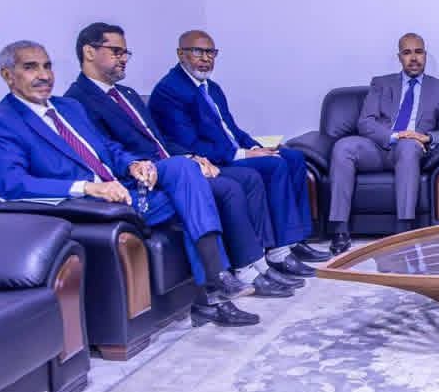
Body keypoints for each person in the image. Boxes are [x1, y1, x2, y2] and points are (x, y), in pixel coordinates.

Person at [0, 40, 259, 328]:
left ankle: (215, 280)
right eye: (30, 68)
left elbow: (108, 147)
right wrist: (86, 187)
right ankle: (214, 288)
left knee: (183, 168)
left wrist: (133, 164)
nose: (44, 75)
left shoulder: (68, 107)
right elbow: (11, 184)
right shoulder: (1, 123)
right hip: (91, 203)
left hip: (124, 185)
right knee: (194, 197)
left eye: (47, 66)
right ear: (7, 75)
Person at [64, 22, 300, 299]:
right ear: (89, 52)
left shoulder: (126, 94)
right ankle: (243, 270)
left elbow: (161, 140)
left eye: (126, 52)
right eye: (116, 51)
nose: (124, 58)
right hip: (146, 175)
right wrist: (171, 163)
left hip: (174, 163)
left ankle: (260, 261)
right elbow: (107, 151)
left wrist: (192, 157)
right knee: (228, 187)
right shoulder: (77, 101)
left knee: (249, 177)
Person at [148, 30, 329, 279]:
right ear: (181, 54)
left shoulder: (211, 88)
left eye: (211, 52)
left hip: (230, 151)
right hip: (209, 161)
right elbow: (189, 144)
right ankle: (278, 252)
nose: (206, 58)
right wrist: (243, 154)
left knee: (293, 157)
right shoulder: (170, 92)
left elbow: (232, 130)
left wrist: (254, 147)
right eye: (198, 52)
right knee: (274, 166)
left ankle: (294, 239)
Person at [327, 33, 439, 254]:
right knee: (344, 146)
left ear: (425, 55)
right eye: (407, 53)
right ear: (399, 57)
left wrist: (426, 137)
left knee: (408, 146)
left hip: (412, 150)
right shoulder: (380, 84)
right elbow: (366, 121)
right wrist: (394, 136)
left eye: (418, 52)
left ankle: (403, 230)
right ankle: (340, 230)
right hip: (378, 147)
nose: (413, 58)